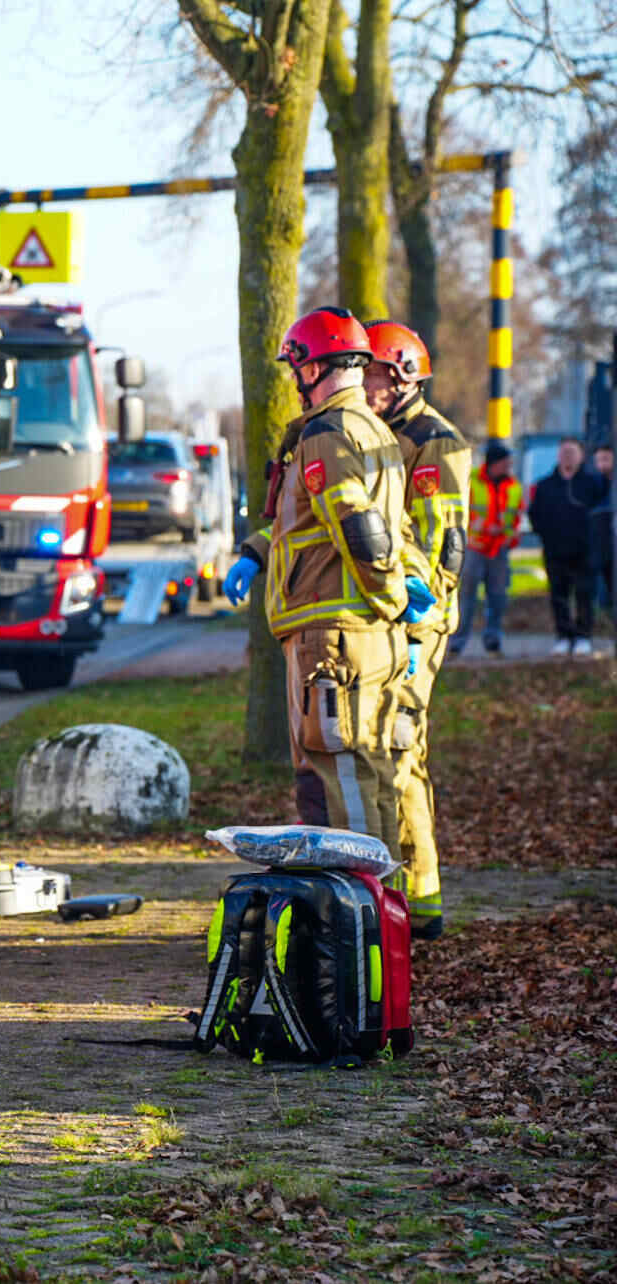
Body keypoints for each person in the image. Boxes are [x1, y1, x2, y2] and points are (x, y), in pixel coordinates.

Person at [223, 308, 432, 858]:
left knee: (339, 781)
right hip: (365, 636)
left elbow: (358, 528)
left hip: (333, 635)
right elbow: (384, 527)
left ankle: (360, 898)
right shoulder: (377, 431)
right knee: (371, 775)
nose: (295, 381)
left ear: (313, 367)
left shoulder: (326, 433)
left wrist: (391, 599)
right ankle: (385, 902)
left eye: (296, 369)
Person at [362, 321, 470, 940]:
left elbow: (440, 545)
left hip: (417, 622)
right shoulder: (380, 434)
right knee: (394, 751)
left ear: (403, 375)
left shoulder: (435, 442)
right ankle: (413, 900)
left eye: (372, 373)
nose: (362, 384)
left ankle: (415, 902)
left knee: (399, 746)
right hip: (389, 616)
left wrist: (413, 619)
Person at [525, 437, 607, 656]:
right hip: (555, 551)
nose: (568, 456)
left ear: (581, 456)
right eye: (564, 452)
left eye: (572, 452)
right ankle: (563, 637)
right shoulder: (545, 485)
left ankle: (583, 637)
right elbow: (535, 515)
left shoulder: (593, 484)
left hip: (585, 552)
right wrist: (546, 535)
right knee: (558, 596)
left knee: (584, 595)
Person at [450, 441, 523, 657]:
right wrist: (478, 526)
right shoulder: (471, 481)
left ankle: (493, 642)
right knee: (467, 597)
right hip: (475, 547)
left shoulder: (514, 486)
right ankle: (457, 644)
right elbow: (460, 509)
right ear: (493, 463)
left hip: (499, 549)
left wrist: (510, 536)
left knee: (498, 597)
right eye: (505, 462)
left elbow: (516, 516)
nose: (509, 466)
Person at [592, 444, 615, 627]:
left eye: (606, 459)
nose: (602, 465)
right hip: (601, 547)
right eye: (599, 460)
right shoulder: (594, 485)